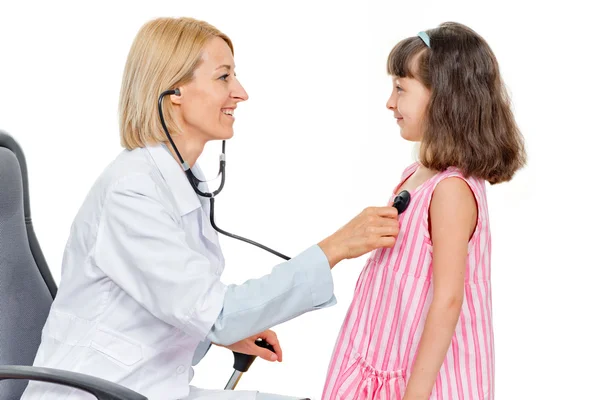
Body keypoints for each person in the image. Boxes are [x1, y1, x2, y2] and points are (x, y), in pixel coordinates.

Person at [20, 17, 401, 400]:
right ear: (174, 91)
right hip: (98, 393)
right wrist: (335, 248)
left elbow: (174, 305)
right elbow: (216, 313)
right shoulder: (131, 192)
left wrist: (224, 336)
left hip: (144, 387)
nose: (240, 93)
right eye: (223, 77)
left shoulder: (180, 178)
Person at [321, 22, 527, 400]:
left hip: (423, 381)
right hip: (380, 359)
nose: (389, 102)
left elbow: (448, 299)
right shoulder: (415, 175)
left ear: (444, 98)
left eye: (400, 88)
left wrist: (414, 395)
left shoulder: (450, 191)